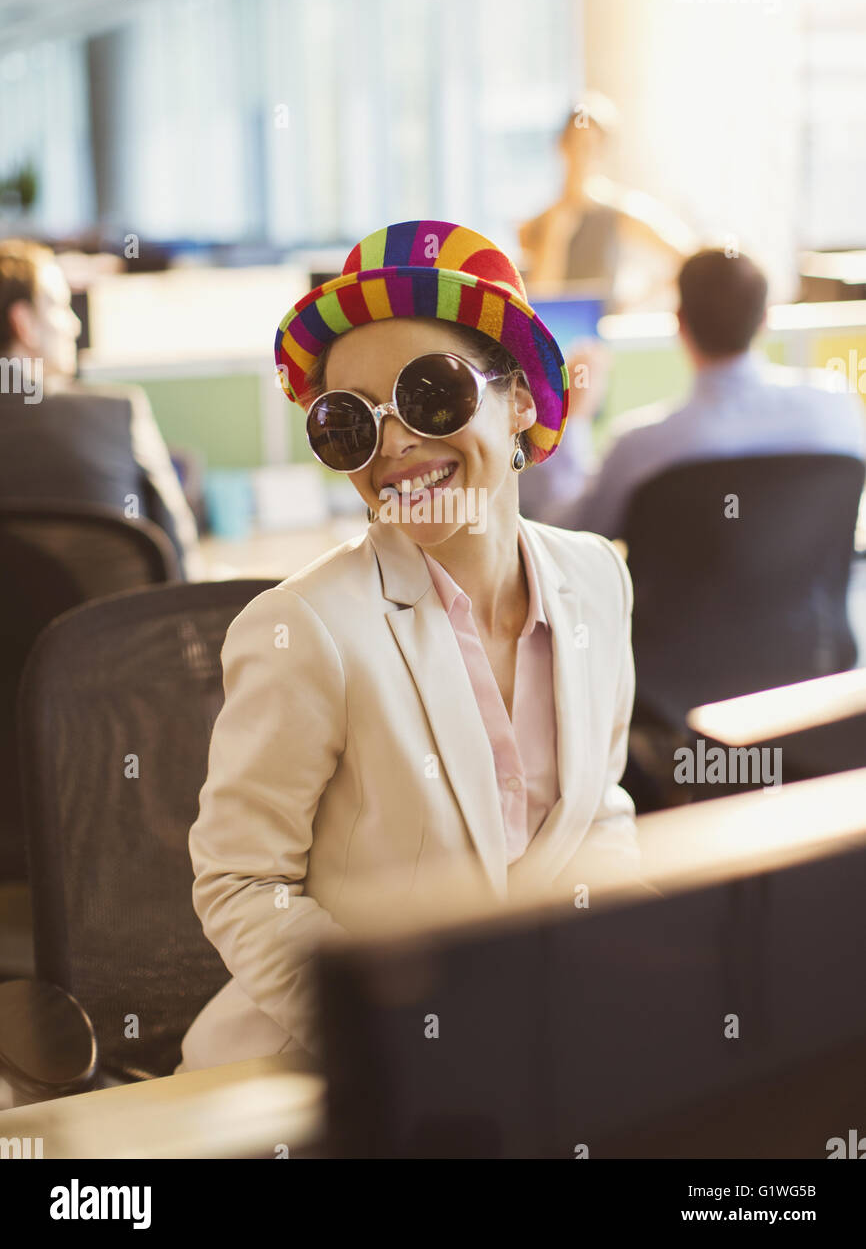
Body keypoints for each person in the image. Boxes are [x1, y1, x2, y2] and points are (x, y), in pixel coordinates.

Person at [178, 219, 639, 1072]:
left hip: (532, 1048)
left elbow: (597, 808)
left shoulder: (598, 583)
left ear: (522, 402)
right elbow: (242, 883)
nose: (391, 445)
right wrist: (401, 1041)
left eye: (432, 394)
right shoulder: (307, 632)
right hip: (336, 1073)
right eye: (349, 422)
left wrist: (629, 968)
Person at [519, 248, 866, 536]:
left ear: (680, 323)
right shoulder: (835, 409)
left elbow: (565, 533)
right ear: (764, 319)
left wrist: (573, 417)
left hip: (671, 622)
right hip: (814, 620)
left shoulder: (640, 450)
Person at [0, 239, 202, 578]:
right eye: (60, 306)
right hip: (110, 630)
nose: (74, 325)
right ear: (24, 323)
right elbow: (181, 562)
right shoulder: (118, 413)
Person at [518, 93, 693, 310]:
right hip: (557, 337)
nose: (582, 156)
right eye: (576, 144)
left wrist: (635, 301)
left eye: (591, 146)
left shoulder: (621, 212)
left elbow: (688, 259)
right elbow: (539, 303)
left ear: (603, 150)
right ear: (561, 145)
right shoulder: (536, 224)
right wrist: (554, 240)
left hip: (603, 335)